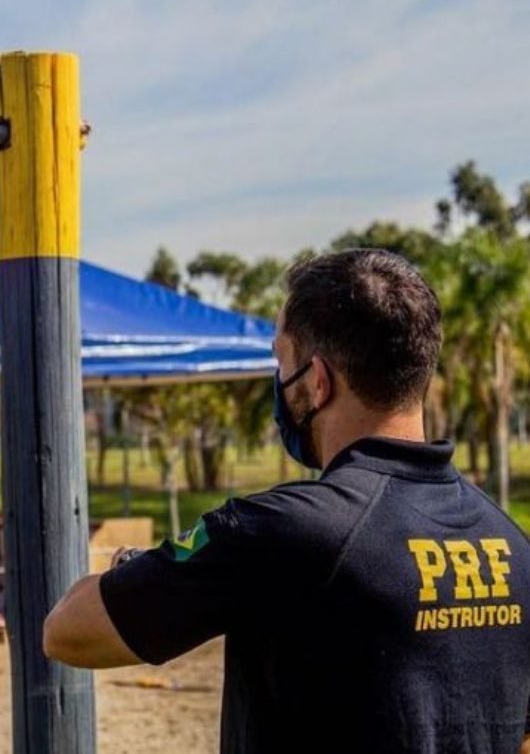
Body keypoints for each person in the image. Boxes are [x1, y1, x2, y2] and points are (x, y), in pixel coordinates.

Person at [42, 249, 530, 754]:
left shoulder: (282, 531)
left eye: (281, 360)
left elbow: (68, 631)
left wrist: (142, 566)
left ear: (317, 382)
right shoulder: (511, 545)